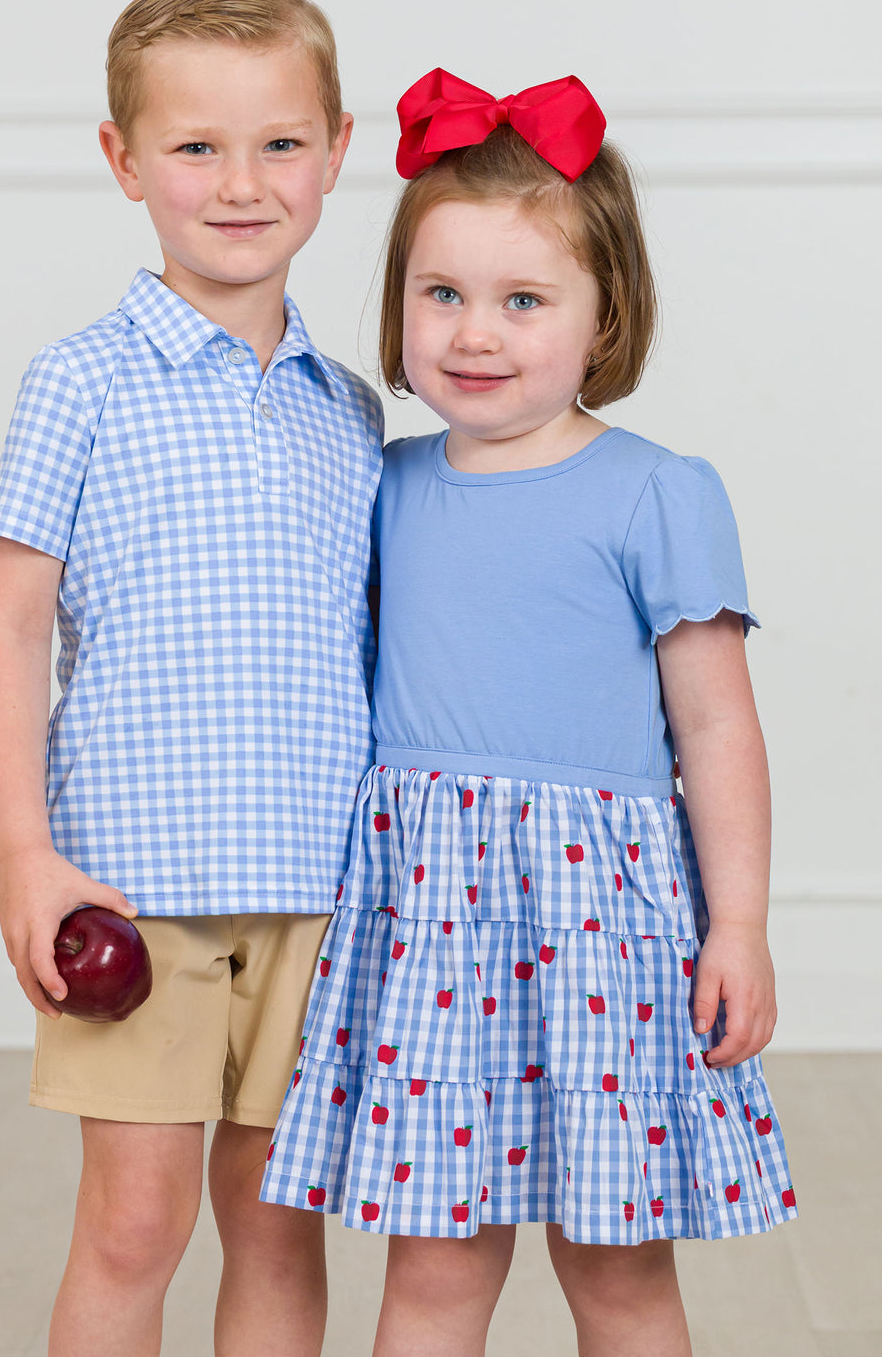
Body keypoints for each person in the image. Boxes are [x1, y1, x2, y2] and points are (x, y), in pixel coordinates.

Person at [260, 69, 796, 1357]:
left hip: (600, 922)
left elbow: (717, 729)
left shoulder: (655, 491)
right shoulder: (379, 480)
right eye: (440, 294)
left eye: (523, 300)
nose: (475, 333)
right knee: (434, 1273)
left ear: (604, 320)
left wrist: (741, 926)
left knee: (617, 1275)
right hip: (429, 921)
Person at [0, 0, 382, 1357]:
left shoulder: (354, 412)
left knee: (277, 1224)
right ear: (124, 160)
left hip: (318, 883)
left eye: (277, 143)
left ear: (337, 148)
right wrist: (27, 856)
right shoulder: (80, 380)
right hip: (132, 889)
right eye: (196, 146)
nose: (240, 182)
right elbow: (12, 626)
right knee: (135, 1228)